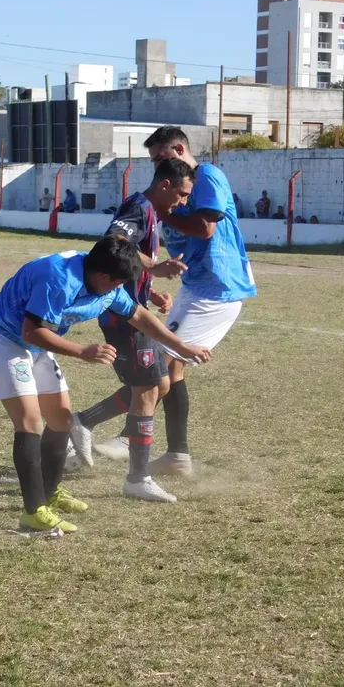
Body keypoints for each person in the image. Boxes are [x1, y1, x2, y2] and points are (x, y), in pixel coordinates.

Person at [0, 235, 211, 534]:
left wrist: (181, 346)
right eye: (117, 283)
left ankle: (49, 492)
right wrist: (82, 351)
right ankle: (33, 513)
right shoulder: (58, 278)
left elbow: (138, 315)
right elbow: (31, 331)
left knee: (61, 420)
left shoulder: (105, 280)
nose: (118, 289)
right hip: (4, 341)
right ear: (102, 276)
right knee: (30, 422)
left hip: (35, 346)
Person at [67, 159, 196, 504]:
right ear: (165, 185)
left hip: (134, 309)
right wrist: (156, 265)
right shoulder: (138, 207)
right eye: (182, 194)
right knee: (149, 390)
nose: (183, 202)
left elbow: (127, 263)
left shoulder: (150, 213)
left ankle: (83, 421)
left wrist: (150, 291)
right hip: (122, 318)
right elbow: (115, 242)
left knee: (161, 384)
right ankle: (138, 479)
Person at [140, 127, 256, 476]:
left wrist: (161, 210)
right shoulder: (175, 186)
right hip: (196, 283)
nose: (157, 166)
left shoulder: (207, 175)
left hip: (217, 286)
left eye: (160, 157)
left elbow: (206, 228)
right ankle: (177, 457)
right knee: (171, 368)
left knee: (156, 365)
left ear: (178, 149)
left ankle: (99, 427)